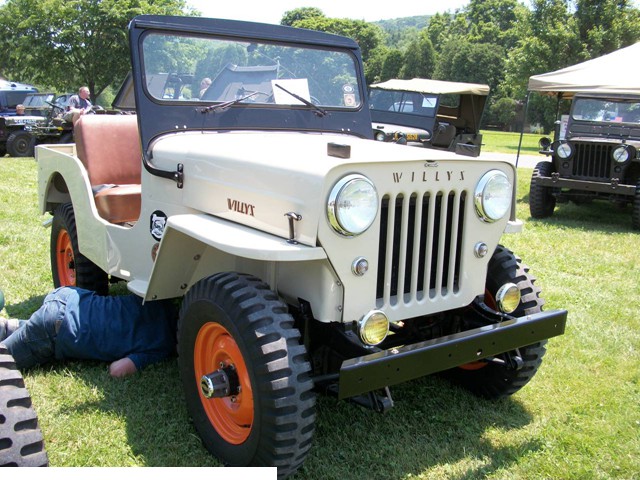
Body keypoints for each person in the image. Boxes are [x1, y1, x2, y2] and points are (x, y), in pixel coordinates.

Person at [0, 286, 178, 378]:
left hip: (68, 297)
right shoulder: (161, 346)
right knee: (4, 364)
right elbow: (117, 370)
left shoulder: (158, 298)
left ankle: (7, 327)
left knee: (29, 332)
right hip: (59, 327)